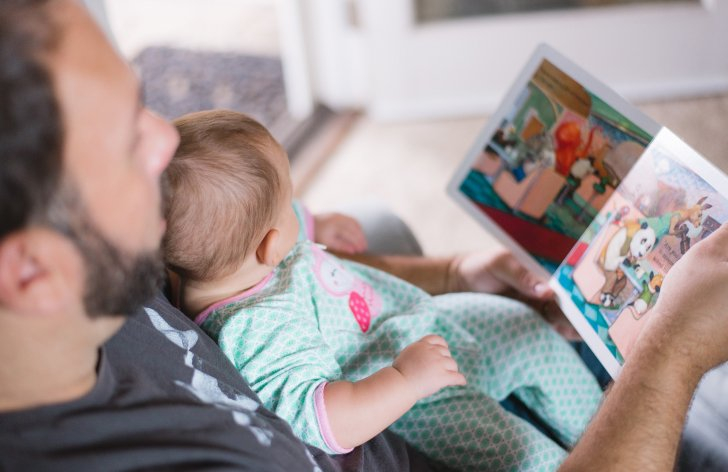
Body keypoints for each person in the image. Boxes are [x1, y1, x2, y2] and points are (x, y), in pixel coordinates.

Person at [1, 1, 728, 470]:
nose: (165, 140)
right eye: (125, 142)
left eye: (145, 102)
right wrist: (673, 353)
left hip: (432, 339)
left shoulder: (120, 253)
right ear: (31, 272)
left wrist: (452, 271)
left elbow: (292, 272)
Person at [163, 109, 603, 470]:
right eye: (289, 204)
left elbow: (262, 218)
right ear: (271, 245)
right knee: (530, 460)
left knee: (524, 327)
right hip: (417, 398)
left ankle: (600, 429)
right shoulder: (258, 329)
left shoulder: (228, 259)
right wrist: (405, 380)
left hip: (413, 321)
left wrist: (315, 223)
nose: (296, 208)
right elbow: (324, 420)